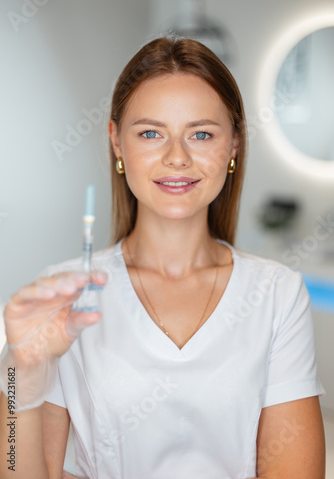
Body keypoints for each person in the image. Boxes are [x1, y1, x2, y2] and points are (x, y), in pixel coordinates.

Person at [0, 37, 326, 479]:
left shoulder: (276, 294)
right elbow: (21, 467)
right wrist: (18, 376)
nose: (177, 157)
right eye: (151, 133)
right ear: (117, 142)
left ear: (233, 145)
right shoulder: (68, 295)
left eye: (202, 134)